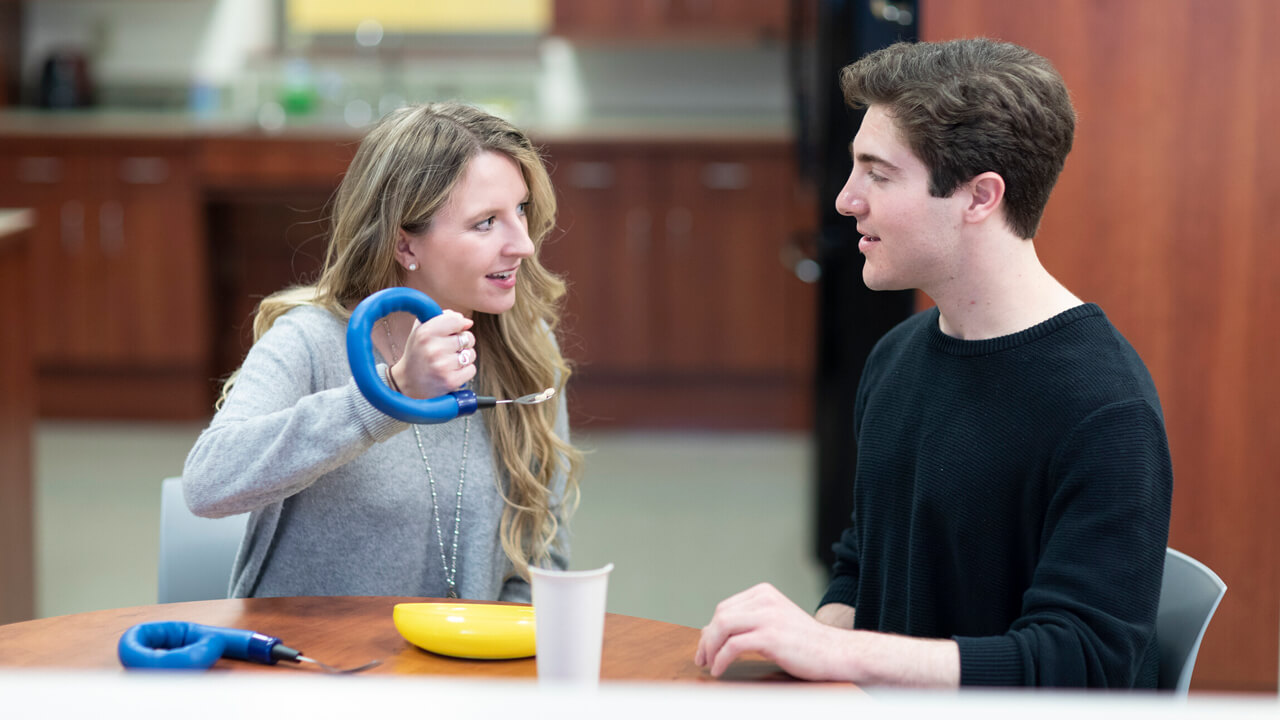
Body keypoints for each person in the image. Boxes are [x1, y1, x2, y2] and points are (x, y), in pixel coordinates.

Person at [696, 38, 1172, 688]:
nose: (845, 200)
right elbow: (863, 566)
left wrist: (843, 654)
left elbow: (1084, 663)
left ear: (979, 198)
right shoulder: (896, 358)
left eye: (878, 174)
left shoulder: (1105, 409)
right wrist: (812, 645)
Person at [183, 102, 583, 602]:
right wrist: (389, 392)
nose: (523, 244)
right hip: (311, 653)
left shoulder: (527, 347)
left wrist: (496, 641)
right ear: (405, 246)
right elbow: (207, 485)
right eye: (486, 222)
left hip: (462, 653)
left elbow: (542, 554)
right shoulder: (309, 341)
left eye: (520, 209)